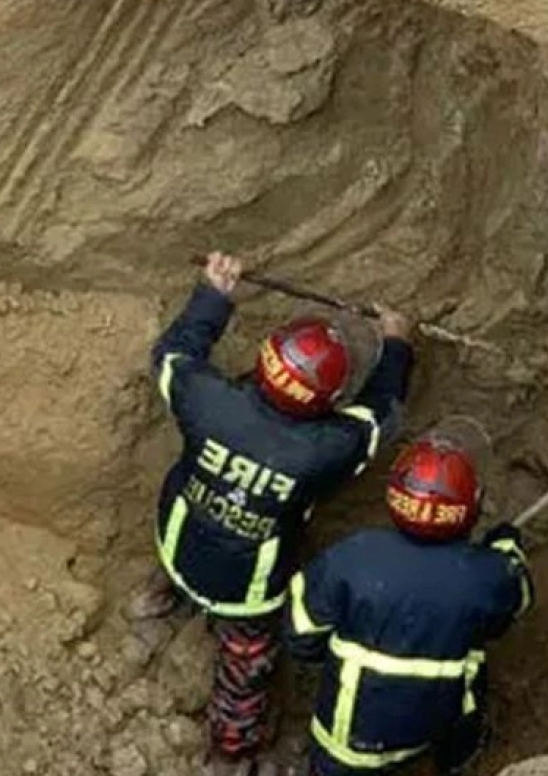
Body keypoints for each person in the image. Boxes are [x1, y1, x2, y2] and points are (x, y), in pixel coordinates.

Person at [136, 251, 415, 775]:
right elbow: (382, 417)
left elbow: (173, 355)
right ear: (330, 401)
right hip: (247, 592)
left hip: (178, 541)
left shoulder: (208, 400)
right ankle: (231, 746)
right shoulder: (325, 450)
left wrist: (213, 296)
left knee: (193, 542)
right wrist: (396, 346)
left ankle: (157, 597)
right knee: (245, 663)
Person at [284, 423, 534, 776]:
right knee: (473, 658)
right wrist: (506, 549)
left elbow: (300, 635)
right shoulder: (486, 575)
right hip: (427, 734)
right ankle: (458, 760)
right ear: (470, 505)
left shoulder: (355, 555)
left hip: (347, 741)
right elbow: (517, 601)